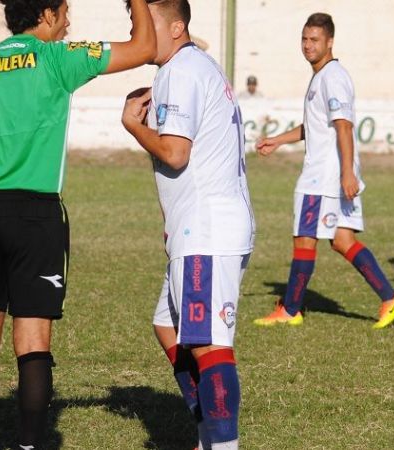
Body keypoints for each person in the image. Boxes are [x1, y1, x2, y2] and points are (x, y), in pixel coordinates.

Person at [0, 0, 156, 448]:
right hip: (36, 217)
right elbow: (146, 47)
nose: (69, 22)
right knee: (32, 341)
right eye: (65, 12)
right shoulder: (57, 58)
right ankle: (29, 445)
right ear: (46, 14)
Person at [121, 1, 254, 448]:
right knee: (169, 326)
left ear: (177, 27)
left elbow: (176, 153)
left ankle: (222, 443)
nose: (140, 31)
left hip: (207, 230)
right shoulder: (196, 65)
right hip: (200, 227)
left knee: (209, 345)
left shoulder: (180, 70)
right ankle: (209, 432)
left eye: (148, 23)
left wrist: (132, 126)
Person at [252, 13, 394, 329]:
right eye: (305, 39)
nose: (308, 46)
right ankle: (390, 298)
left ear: (330, 42)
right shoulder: (322, 76)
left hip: (323, 176)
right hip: (330, 173)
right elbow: (317, 126)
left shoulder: (333, 77)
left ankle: (291, 309)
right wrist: (279, 141)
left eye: (315, 40)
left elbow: (343, 127)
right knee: (341, 240)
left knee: (304, 239)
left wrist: (347, 173)